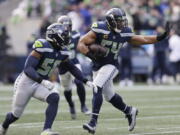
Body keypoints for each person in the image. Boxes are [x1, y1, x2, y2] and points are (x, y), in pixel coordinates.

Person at [77, 8, 170, 134]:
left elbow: (143, 39)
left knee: (96, 87)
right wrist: (90, 54)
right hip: (97, 65)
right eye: (118, 21)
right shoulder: (99, 28)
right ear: (110, 21)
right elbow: (81, 43)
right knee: (109, 96)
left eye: (122, 21)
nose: (122, 24)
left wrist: (160, 37)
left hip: (111, 65)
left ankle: (93, 122)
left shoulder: (125, 32)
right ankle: (129, 111)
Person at [0, 23, 96, 135]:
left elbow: (71, 67)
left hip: (41, 83)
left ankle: (46, 130)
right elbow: (28, 69)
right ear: (55, 37)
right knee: (15, 115)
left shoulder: (62, 51)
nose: (66, 39)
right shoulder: (43, 46)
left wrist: (85, 80)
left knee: (54, 97)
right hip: (26, 82)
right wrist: (43, 81)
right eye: (64, 36)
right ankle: (4, 126)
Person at [57, 15, 91, 119]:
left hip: (74, 62)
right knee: (67, 89)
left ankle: (83, 105)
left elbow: (82, 44)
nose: (66, 29)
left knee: (79, 81)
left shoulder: (75, 35)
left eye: (68, 26)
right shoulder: (56, 37)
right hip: (62, 66)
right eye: (64, 26)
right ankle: (71, 105)